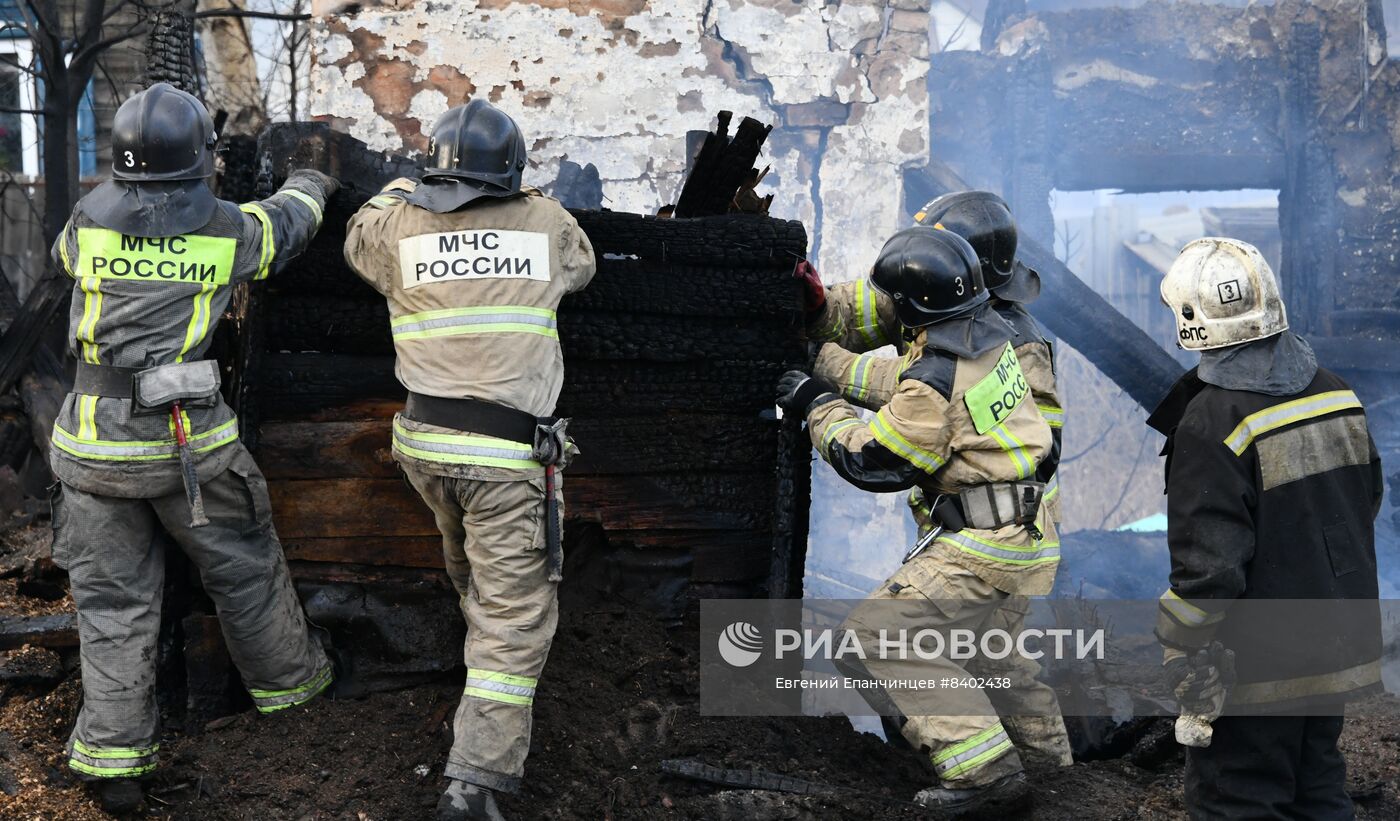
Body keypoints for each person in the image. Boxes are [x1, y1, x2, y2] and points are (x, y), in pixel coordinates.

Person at [48, 83, 338, 814]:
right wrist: (313, 175)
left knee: (112, 605)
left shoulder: (86, 225)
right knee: (245, 572)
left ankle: (114, 763)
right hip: (189, 451)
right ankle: (297, 700)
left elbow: (67, 258)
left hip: (91, 450)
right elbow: (287, 227)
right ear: (199, 163)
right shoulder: (225, 234)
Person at [343, 99, 596, 821]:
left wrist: (402, 186)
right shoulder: (546, 225)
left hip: (425, 448)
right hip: (505, 457)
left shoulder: (394, 226)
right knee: (515, 616)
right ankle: (475, 781)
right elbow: (583, 266)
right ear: (511, 174)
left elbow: (358, 235)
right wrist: (527, 201)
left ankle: (475, 686)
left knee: (473, 578)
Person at [778, 225, 1060, 814]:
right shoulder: (985, 340)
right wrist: (821, 358)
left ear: (910, 306)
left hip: (981, 541)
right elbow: (901, 384)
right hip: (1023, 528)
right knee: (991, 657)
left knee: (875, 636)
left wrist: (815, 405)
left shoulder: (934, 380)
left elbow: (874, 460)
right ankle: (1052, 776)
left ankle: (985, 779)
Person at [1148, 237, 1383, 820]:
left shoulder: (1211, 421)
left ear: (1189, 318)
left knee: (1239, 796)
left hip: (1257, 664)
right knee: (1317, 789)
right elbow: (1364, 504)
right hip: (1334, 641)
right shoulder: (1336, 392)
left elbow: (1210, 571)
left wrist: (1181, 643)